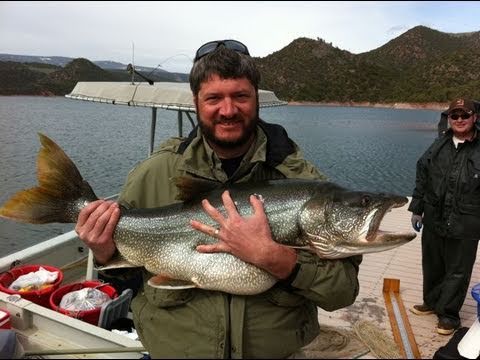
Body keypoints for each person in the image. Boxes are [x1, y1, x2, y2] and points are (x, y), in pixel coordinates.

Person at [75, 39, 362, 358]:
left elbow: (342, 292)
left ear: (256, 99)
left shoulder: (304, 182)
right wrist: (104, 252)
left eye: (241, 96)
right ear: (196, 101)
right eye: (214, 98)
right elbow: (124, 279)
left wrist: (276, 259)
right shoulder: (153, 173)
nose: (228, 110)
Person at [409, 98, 480, 336]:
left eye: (464, 115)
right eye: (455, 116)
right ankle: (431, 302)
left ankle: (449, 314)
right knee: (432, 263)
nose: (459, 120)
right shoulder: (439, 144)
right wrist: (417, 208)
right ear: (449, 118)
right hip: (435, 216)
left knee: (458, 270)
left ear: (475, 117)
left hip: (467, 220)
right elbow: (422, 171)